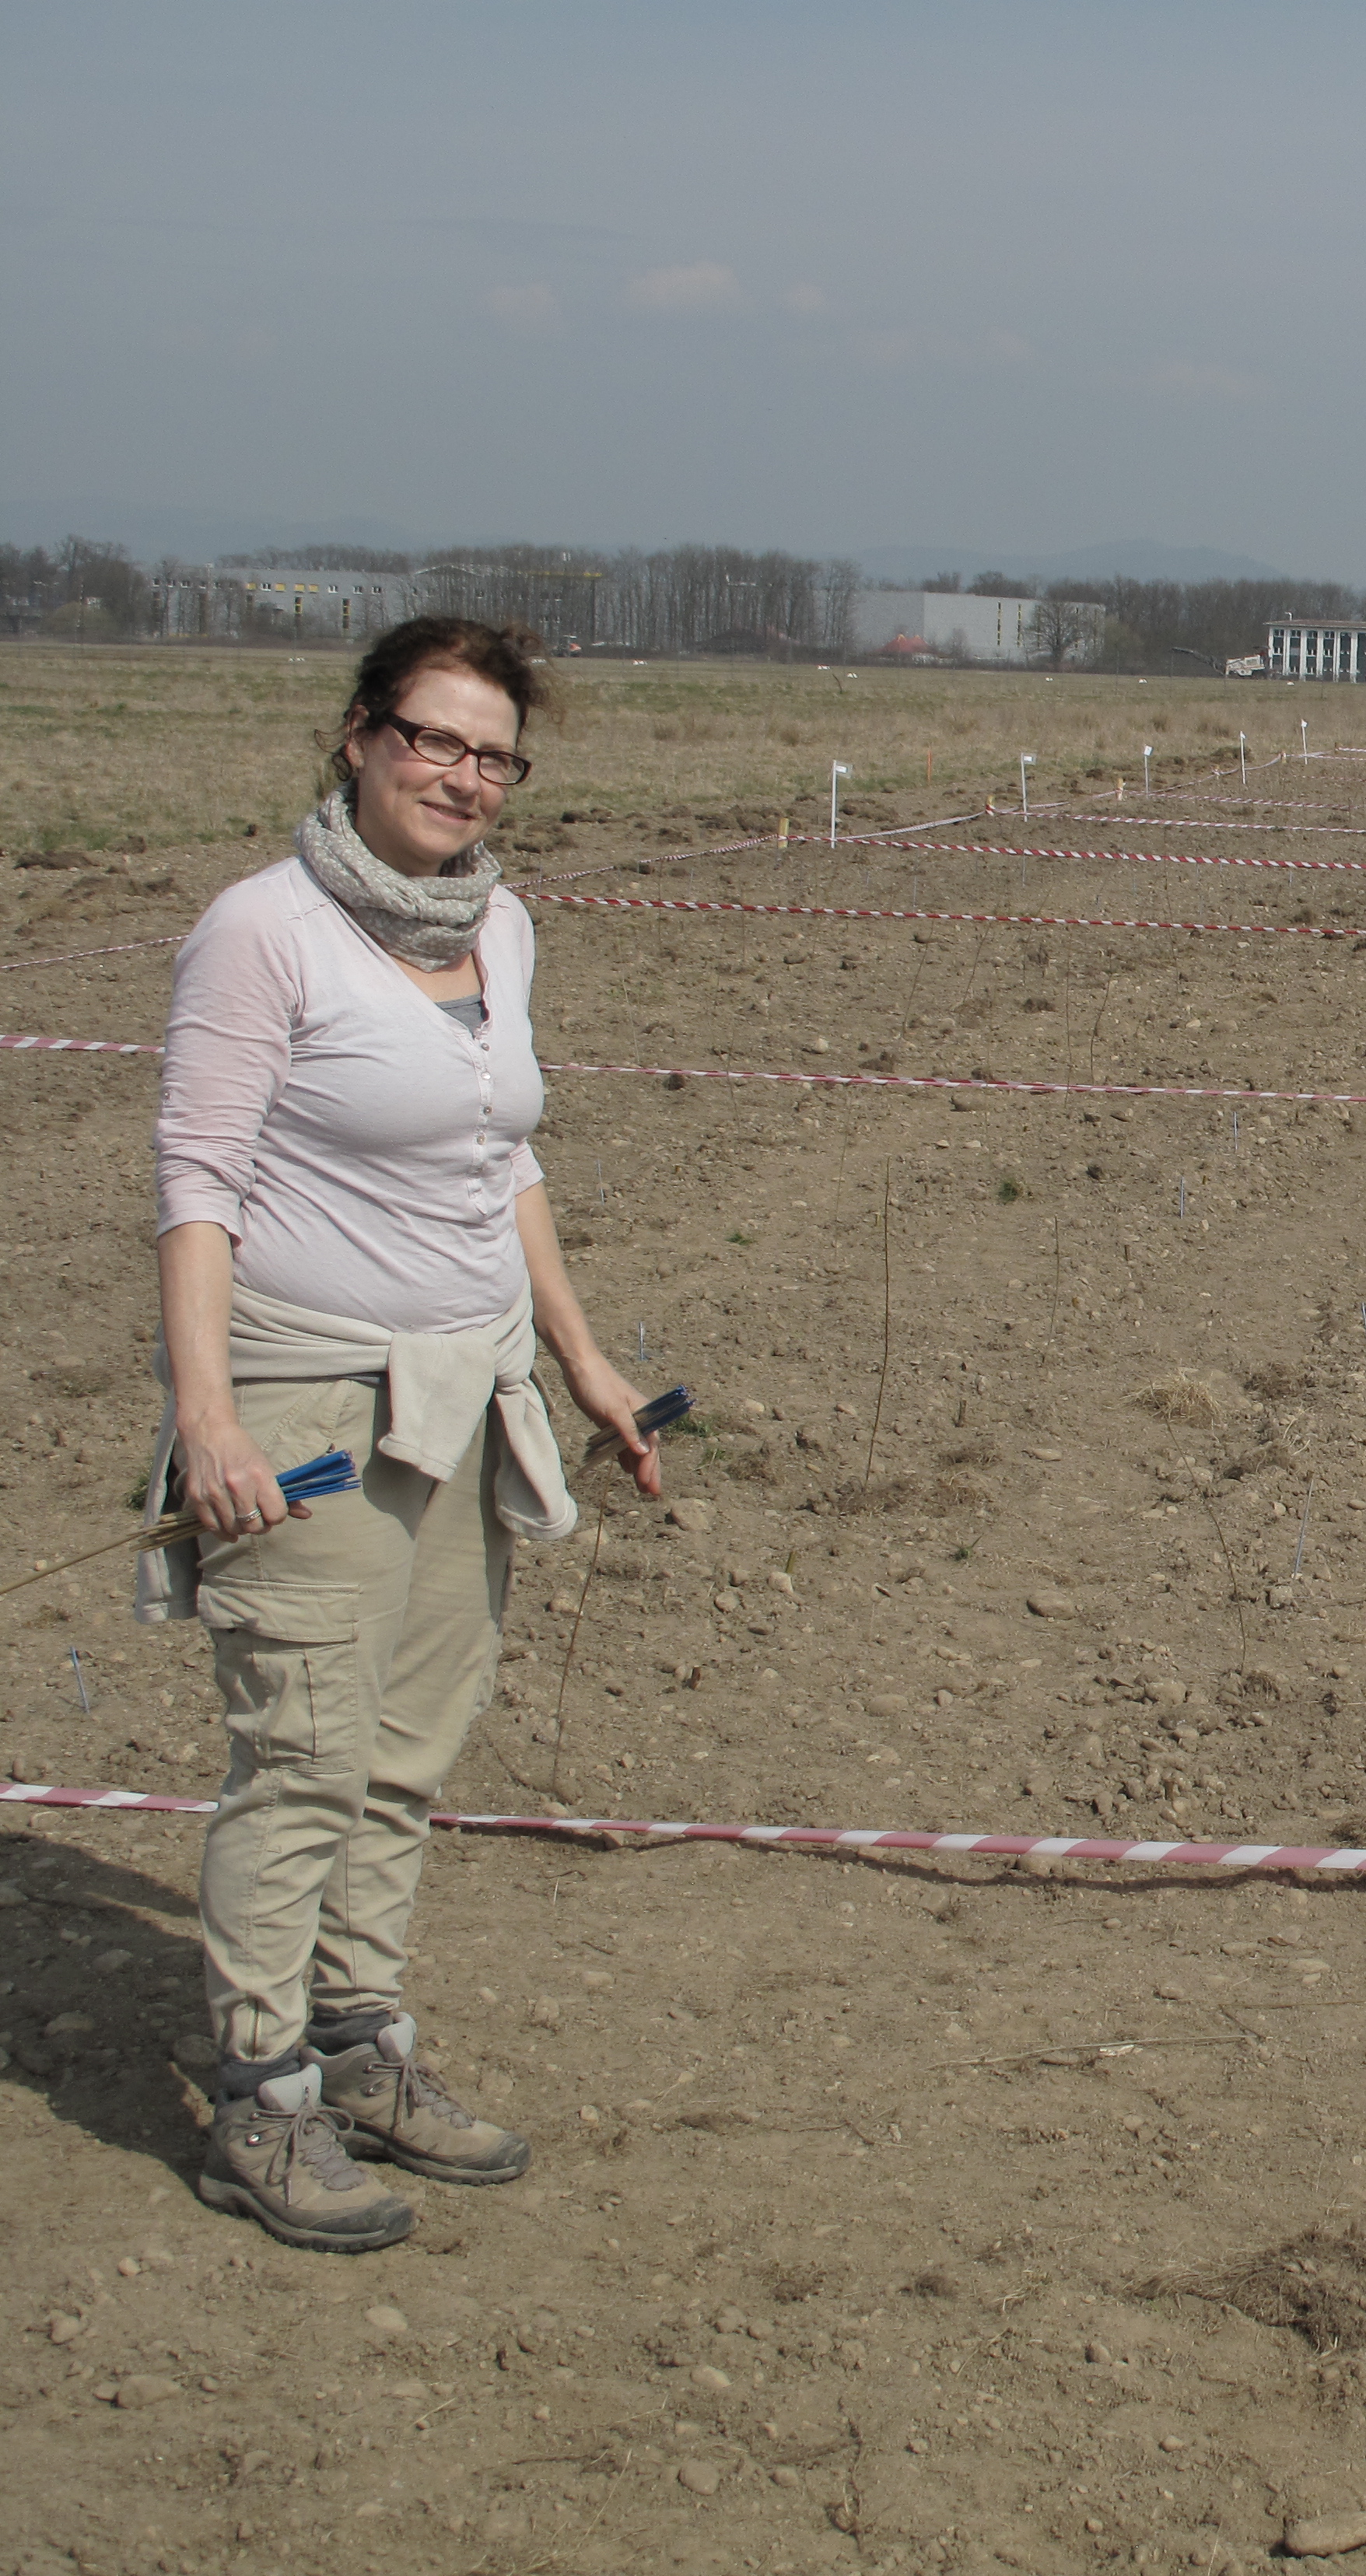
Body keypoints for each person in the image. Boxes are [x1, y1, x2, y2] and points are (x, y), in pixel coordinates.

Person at [142, 615, 662, 2253]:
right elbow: (199, 1187)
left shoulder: (499, 928)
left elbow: (500, 1163)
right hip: (305, 1399)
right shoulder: (263, 933)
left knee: (407, 1747)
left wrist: (582, 1361)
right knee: (299, 1749)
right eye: (433, 738)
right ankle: (260, 2100)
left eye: (493, 752)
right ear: (362, 737)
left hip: (470, 1386)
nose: (462, 774)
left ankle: (361, 2048)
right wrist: (208, 1418)